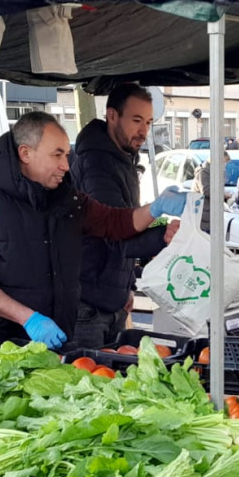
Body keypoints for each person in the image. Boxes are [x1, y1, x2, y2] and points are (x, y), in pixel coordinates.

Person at [0, 112, 187, 361]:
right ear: (25, 153)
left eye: (66, 155)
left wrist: (156, 209)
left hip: (56, 341)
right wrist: (28, 318)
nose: (66, 165)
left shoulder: (65, 198)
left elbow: (115, 223)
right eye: (57, 155)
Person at [72, 84, 176, 349]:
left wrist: (126, 285)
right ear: (112, 116)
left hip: (110, 297)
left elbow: (127, 224)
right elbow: (115, 235)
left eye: (149, 122)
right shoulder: (97, 164)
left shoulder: (123, 158)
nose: (144, 132)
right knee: (89, 381)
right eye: (137, 120)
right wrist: (162, 235)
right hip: (89, 306)